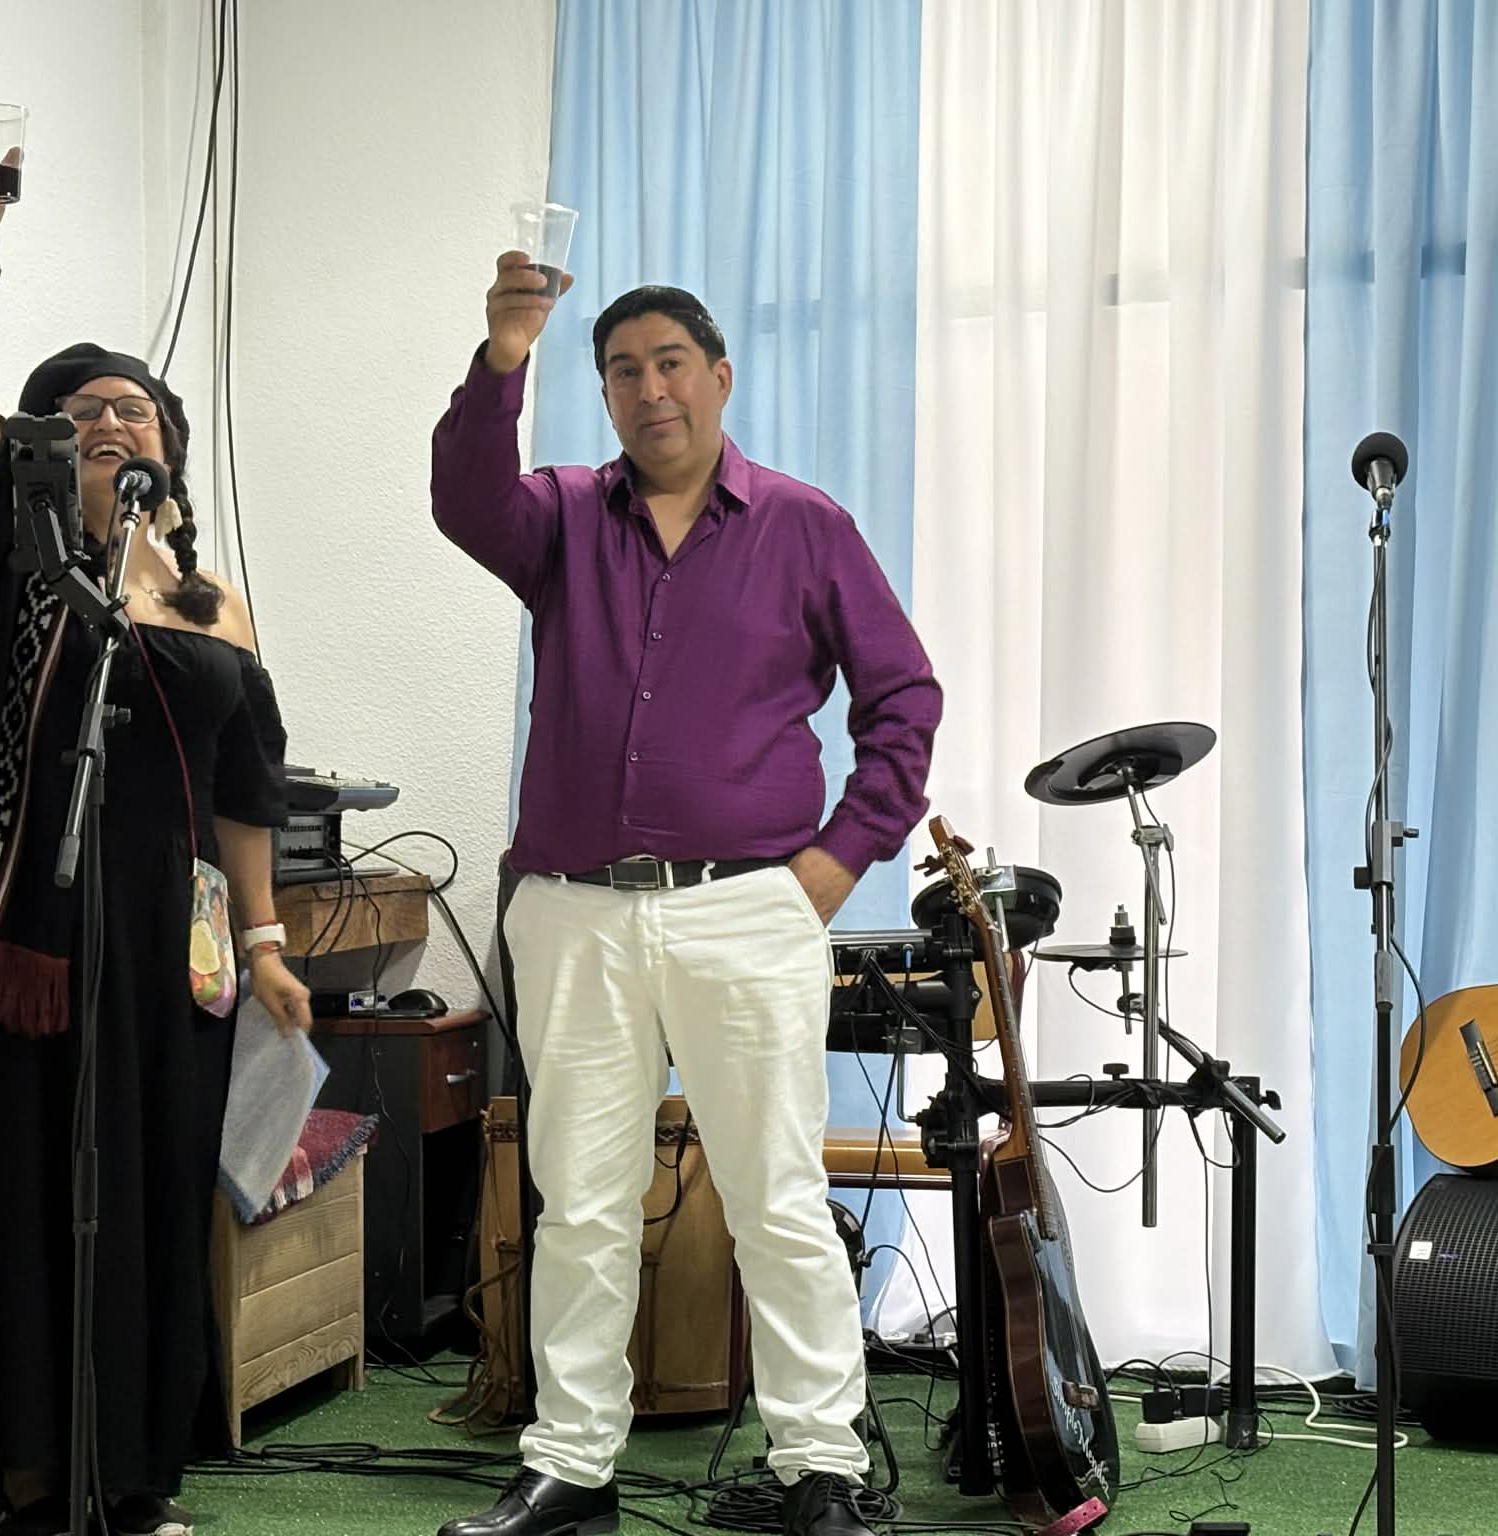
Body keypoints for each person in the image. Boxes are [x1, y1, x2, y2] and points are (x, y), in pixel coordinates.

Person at [0, 141, 313, 1536]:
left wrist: (266, 944)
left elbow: (247, 788)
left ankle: (133, 1473)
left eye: (135, 409)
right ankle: (36, 1472)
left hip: (165, 948)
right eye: (83, 410)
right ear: (50, 441)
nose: (112, 422)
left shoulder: (214, 601)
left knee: (145, 1195)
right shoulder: (14, 554)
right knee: (28, 1200)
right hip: (23, 938)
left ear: (170, 446)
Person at [429, 254, 942, 1536]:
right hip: (572, 912)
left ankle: (819, 1467)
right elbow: (463, 499)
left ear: (717, 377)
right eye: (621, 371)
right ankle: (570, 1465)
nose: (648, 389)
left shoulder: (804, 526)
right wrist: (503, 355)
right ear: (603, 394)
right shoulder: (559, 516)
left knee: (775, 1195)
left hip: (745, 907)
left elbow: (902, 699)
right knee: (580, 1201)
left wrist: (839, 857)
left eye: (669, 364)